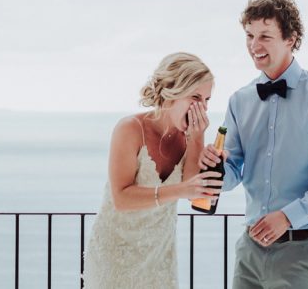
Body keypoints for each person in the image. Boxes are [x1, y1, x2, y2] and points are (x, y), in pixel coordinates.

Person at [200, 0, 308, 289]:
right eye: (249, 35)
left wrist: (288, 216)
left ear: (290, 39)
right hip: (249, 250)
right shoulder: (240, 100)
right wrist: (216, 170)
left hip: (302, 251)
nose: (254, 46)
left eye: (265, 36)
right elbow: (233, 172)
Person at [83, 52, 223, 288]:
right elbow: (121, 199)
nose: (203, 108)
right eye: (196, 97)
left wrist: (198, 138)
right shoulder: (130, 129)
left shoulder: (189, 137)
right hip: (115, 256)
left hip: (159, 257)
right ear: (172, 93)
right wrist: (180, 189)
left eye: (208, 100)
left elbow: (193, 193)